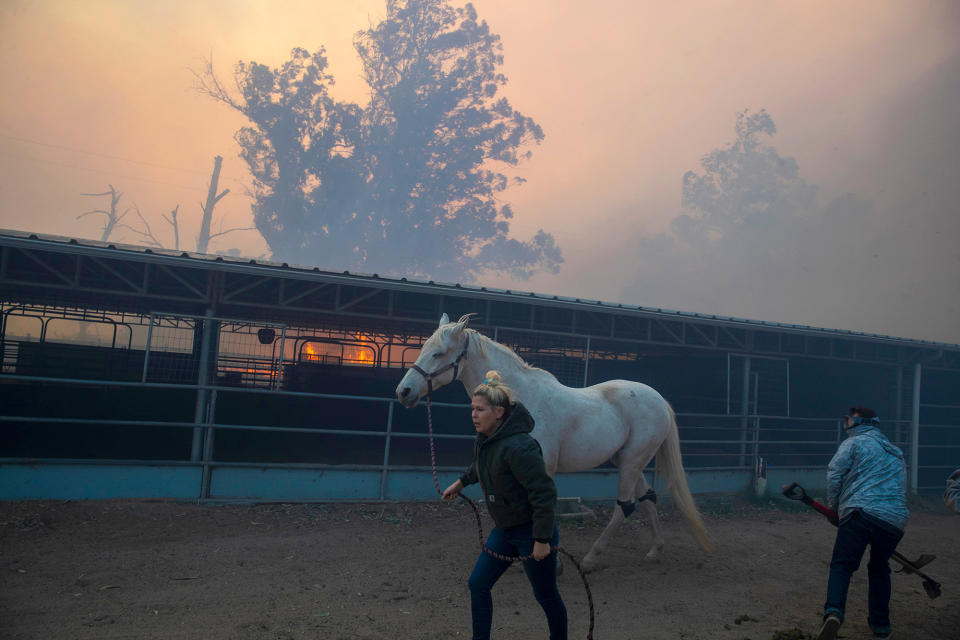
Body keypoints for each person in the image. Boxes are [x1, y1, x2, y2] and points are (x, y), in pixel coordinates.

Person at [442, 370, 567, 640]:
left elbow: (544, 494)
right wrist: (461, 483)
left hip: (531, 531)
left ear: (499, 412)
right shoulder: (489, 441)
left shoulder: (520, 447)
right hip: (505, 530)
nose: (474, 415)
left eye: (480, 409)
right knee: (478, 584)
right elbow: (484, 466)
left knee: (545, 595)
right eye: (472, 409)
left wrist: (542, 539)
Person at [815, 406, 909, 640]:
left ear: (861, 422)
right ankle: (881, 626)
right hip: (894, 520)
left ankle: (834, 612)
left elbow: (834, 474)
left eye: (849, 419)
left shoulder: (854, 443)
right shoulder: (896, 452)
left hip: (860, 511)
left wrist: (834, 507)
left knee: (842, 565)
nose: (846, 423)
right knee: (879, 569)